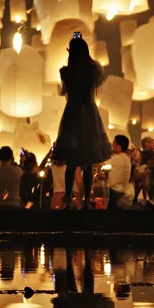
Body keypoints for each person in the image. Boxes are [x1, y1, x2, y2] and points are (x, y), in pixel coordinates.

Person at [51, 34, 112, 209]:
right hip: (89, 113)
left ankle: (69, 200)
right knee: (88, 162)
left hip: (72, 113)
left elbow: (64, 92)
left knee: (71, 162)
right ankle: (86, 201)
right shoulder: (94, 69)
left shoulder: (66, 72)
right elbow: (97, 84)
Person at [105, 135, 133, 209]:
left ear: (119, 146)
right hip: (122, 192)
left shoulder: (117, 158)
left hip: (115, 193)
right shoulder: (125, 158)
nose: (112, 144)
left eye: (114, 142)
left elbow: (101, 162)